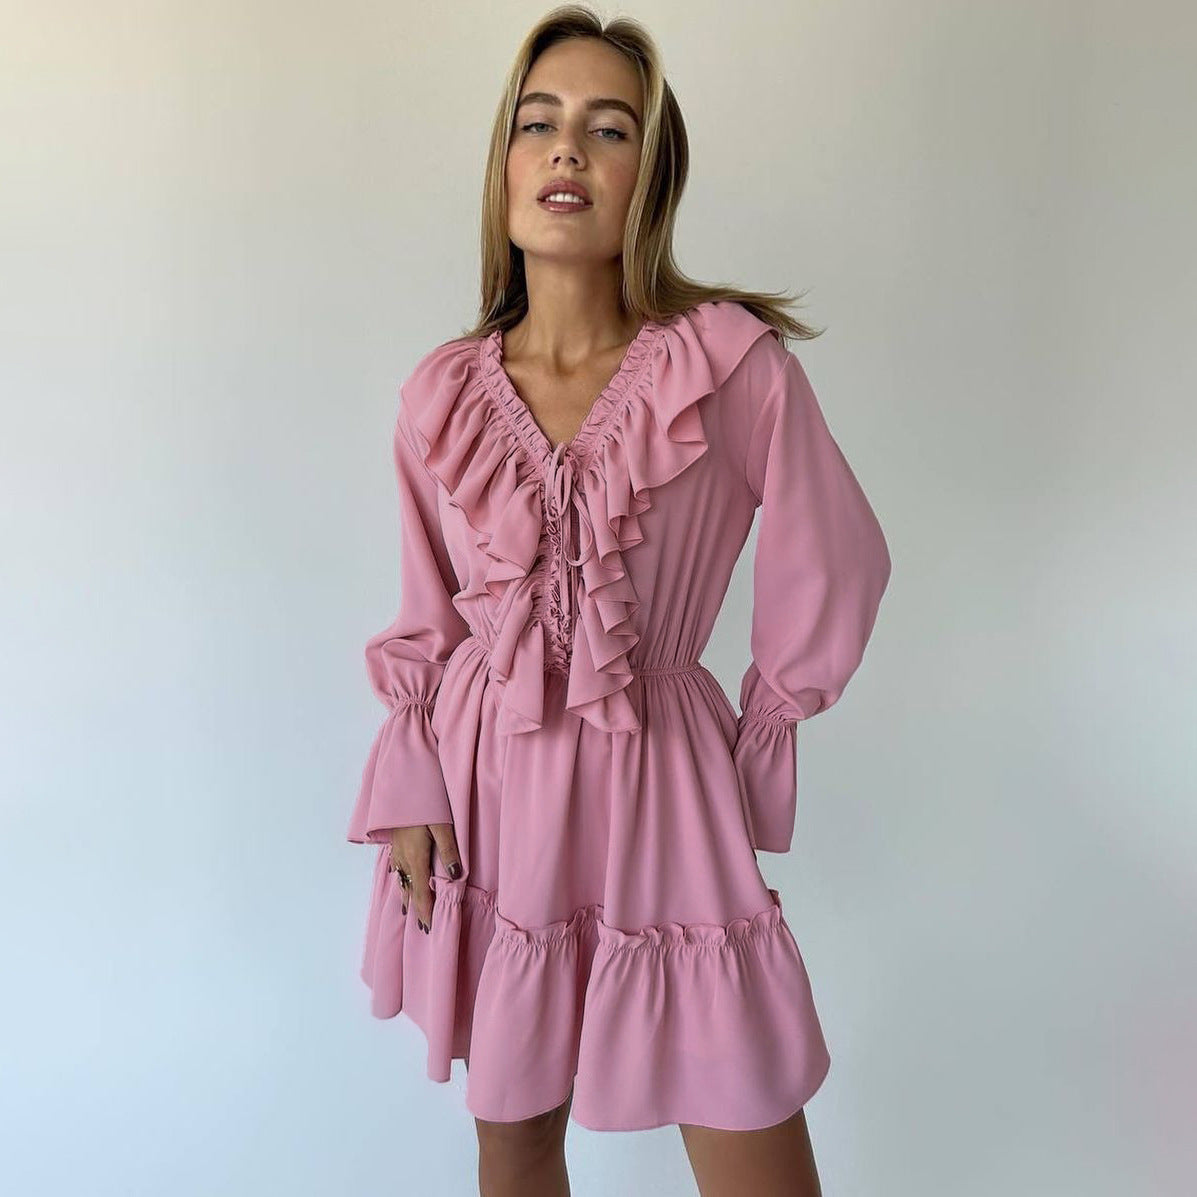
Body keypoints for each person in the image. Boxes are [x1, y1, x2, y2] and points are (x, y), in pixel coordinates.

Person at [346, 7, 891, 1195]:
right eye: (537, 122)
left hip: (662, 777)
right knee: (516, 1138)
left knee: (745, 1117)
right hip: (489, 779)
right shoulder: (440, 396)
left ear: (652, 174)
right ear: (504, 161)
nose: (566, 149)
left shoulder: (730, 367)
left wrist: (762, 730)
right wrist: (410, 782)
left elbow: (838, 557)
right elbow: (427, 618)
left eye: (609, 128)